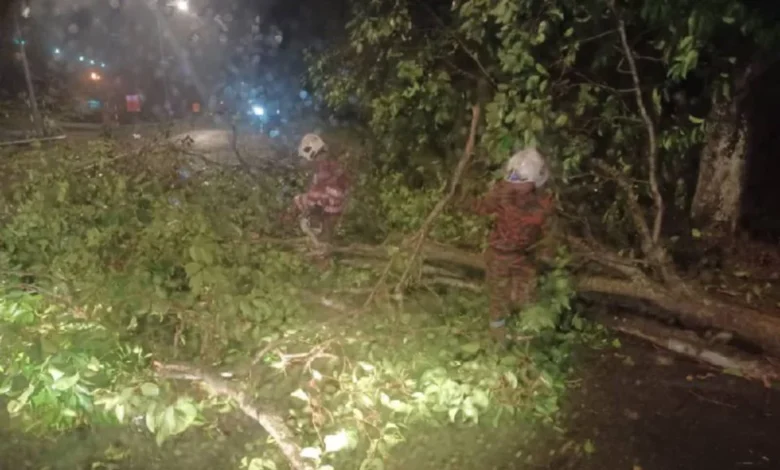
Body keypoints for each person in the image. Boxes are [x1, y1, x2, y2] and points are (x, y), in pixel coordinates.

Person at [473, 148, 554, 342]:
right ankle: (498, 338)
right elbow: (482, 207)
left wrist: (548, 250)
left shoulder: (539, 199)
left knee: (526, 290)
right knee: (498, 296)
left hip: (523, 254)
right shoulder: (502, 191)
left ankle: (524, 329)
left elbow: (545, 225)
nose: (515, 184)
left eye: (521, 181)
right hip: (499, 252)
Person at [290, 133, 350, 257]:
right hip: (335, 201)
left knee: (299, 203)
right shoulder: (330, 163)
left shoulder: (325, 166)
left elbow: (319, 191)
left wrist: (312, 205)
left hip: (330, 202)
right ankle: (321, 243)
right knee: (323, 224)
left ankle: (320, 247)